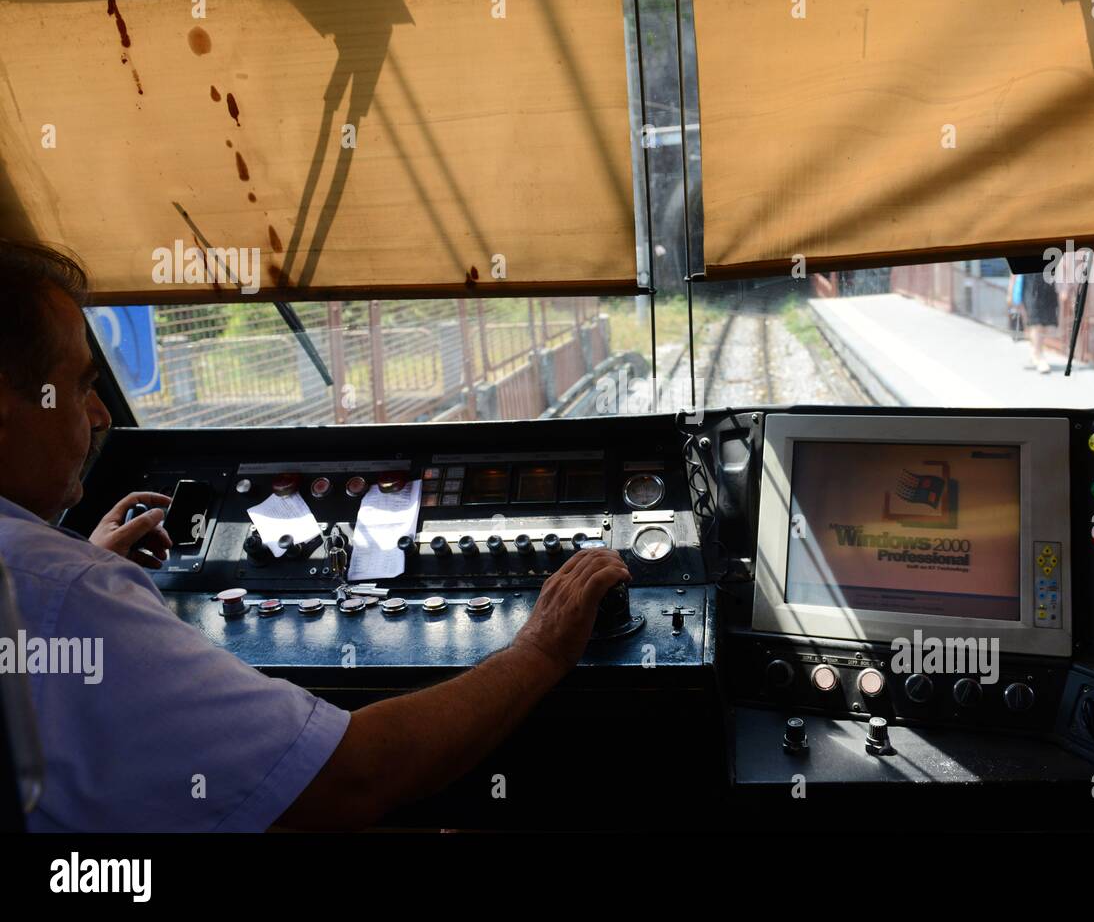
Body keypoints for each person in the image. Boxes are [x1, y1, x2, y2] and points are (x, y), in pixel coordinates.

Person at [0, 240, 631, 831]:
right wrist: (540, 650)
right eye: (80, 385)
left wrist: (81, 575)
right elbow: (356, 775)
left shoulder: (54, 586)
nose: (101, 414)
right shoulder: (65, 592)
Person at [1007, 269, 1059, 374]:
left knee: (1047, 325)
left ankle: (1035, 350)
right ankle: (1039, 357)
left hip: (1048, 286)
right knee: (1036, 323)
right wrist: (1010, 291)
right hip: (1030, 286)